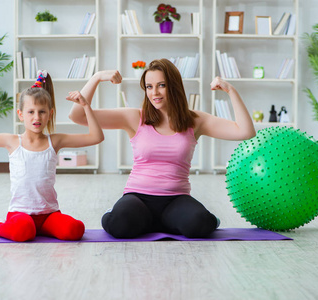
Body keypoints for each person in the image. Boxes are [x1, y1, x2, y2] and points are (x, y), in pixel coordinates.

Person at [69, 58, 256, 239]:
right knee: (119, 224)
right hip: (138, 197)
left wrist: (230, 90)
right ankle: (128, 215)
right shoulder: (135, 118)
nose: (154, 93)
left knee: (200, 224)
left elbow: (245, 132)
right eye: (149, 87)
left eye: (161, 85)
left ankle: (161, 222)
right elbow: (77, 116)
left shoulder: (195, 120)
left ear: (174, 86)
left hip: (176, 199)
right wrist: (96, 77)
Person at [0, 70, 104, 242]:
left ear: (50, 114)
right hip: (20, 214)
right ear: (20, 114)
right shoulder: (12, 141)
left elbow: (97, 137)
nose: (37, 117)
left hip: (49, 215)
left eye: (42, 112)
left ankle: (40, 230)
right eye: (31, 112)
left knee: (75, 230)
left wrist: (85, 105)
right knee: (23, 231)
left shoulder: (55, 141)